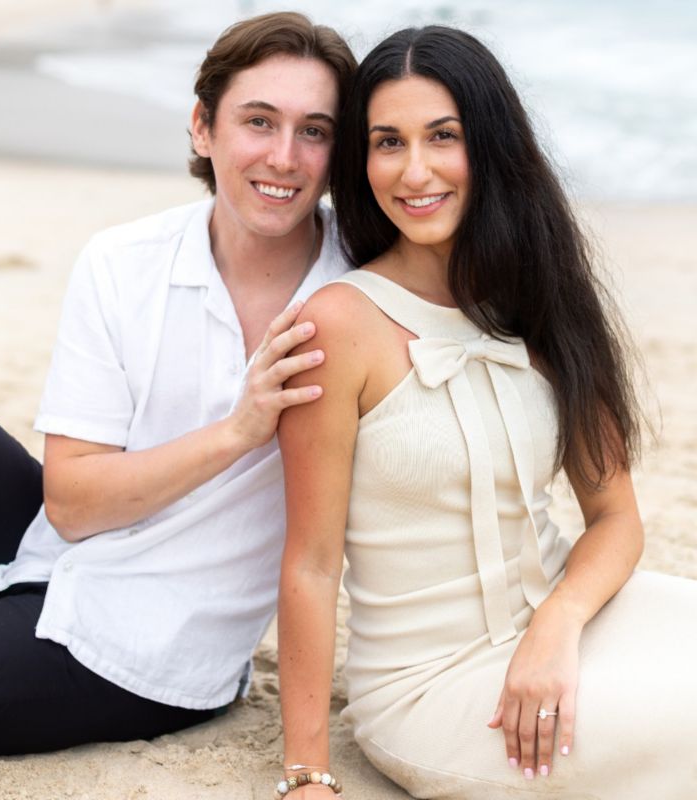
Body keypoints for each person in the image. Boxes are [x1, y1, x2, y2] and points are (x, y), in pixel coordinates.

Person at [0, 12, 355, 761]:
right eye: (258, 121)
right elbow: (71, 505)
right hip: (47, 555)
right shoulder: (122, 261)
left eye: (314, 131)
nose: (284, 156)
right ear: (203, 127)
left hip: (147, 649)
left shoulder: (357, 295)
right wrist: (236, 433)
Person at [276, 24, 697, 800]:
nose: (415, 170)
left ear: (492, 145)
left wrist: (558, 622)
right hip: (435, 686)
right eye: (388, 142)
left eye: (444, 136)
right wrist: (307, 775)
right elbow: (311, 562)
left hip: (572, 623)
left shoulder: (539, 298)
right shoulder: (336, 326)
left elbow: (615, 517)